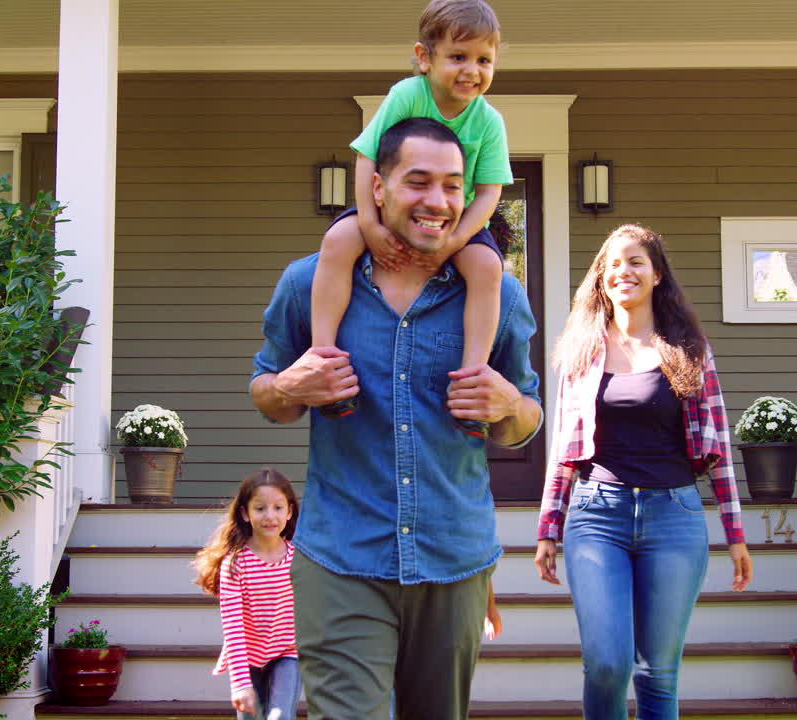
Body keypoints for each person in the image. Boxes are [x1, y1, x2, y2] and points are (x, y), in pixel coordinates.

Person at [250, 116, 541, 720]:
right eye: (418, 181)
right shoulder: (311, 283)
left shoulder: (498, 296)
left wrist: (509, 406)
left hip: (452, 556)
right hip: (342, 556)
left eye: (453, 185)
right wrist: (290, 384)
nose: (438, 201)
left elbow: (528, 418)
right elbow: (266, 391)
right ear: (377, 186)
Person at [532, 224, 754, 720]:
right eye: (612, 264)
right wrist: (550, 526)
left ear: (657, 274)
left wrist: (734, 534)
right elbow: (563, 448)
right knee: (607, 664)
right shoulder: (581, 352)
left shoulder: (689, 351)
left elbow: (718, 447)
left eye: (635, 261)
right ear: (601, 279)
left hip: (673, 516)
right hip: (596, 516)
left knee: (658, 674)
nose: (623, 272)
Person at [309, 0, 511, 440]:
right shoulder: (407, 95)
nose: (471, 70)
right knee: (337, 243)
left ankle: (472, 380)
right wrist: (370, 224)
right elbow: (366, 158)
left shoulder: (489, 121)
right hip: (387, 212)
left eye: (484, 60)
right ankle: (323, 358)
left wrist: (456, 241)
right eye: (458, 57)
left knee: (488, 267)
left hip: (454, 225)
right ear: (425, 58)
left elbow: (490, 192)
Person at [194, 468, 302, 720]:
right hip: (247, 656)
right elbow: (232, 626)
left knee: (279, 716)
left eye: (278, 507)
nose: (270, 516)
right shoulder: (235, 564)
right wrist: (241, 685)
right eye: (260, 508)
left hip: (288, 653)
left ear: (289, 511)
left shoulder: (299, 559)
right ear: (245, 513)